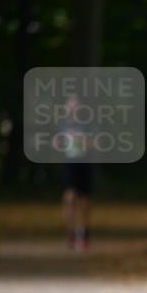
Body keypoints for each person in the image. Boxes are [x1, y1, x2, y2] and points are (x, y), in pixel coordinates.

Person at [53, 94, 93, 251]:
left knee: (84, 202)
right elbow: (57, 142)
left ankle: (84, 233)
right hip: (69, 165)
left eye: (75, 105)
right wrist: (57, 144)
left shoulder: (87, 124)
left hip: (85, 165)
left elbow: (95, 142)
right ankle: (70, 232)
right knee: (69, 197)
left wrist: (80, 141)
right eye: (70, 105)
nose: (72, 108)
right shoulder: (62, 125)